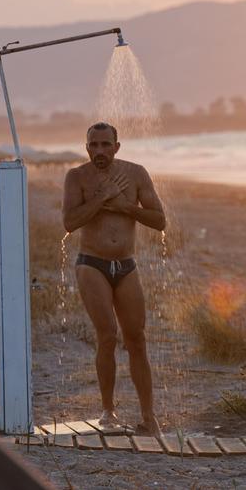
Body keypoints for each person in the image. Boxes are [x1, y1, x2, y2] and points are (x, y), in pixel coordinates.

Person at [62, 121, 166, 435]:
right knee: (107, 335)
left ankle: (148, 418)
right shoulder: (77, 177)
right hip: (91, 264)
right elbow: (69, 223)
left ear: (117, 147)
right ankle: (108, 412)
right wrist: (101, 198)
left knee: (137, 339)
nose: (100, 151)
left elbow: (160, 221)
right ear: (86, 147)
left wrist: (124, 206)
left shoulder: (136, 174)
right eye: (93, 145)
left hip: (126, 266)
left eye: (106, 145)